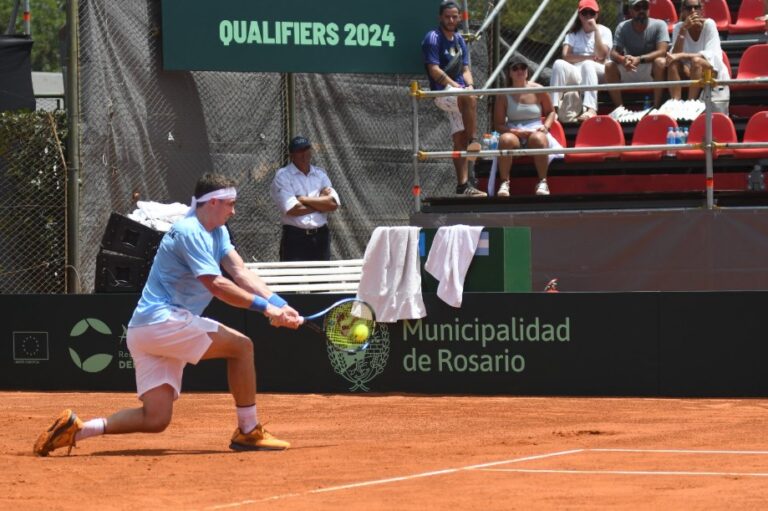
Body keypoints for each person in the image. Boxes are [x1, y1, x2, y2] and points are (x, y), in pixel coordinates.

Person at [33, 173, 302, 457]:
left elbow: (240, 272)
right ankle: (248, 431)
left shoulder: (218, 232)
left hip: (144, 330)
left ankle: (78, 429)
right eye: (230, 204)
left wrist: (279, 304)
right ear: (212, 202)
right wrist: (266, 309)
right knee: (241, 347)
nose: (233, 211)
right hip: (163, 320)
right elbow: (218, 285)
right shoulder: (189, 231)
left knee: (155, 418)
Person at [421, 0, 487, 197]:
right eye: (447, 16)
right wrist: (457, 86)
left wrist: (470, 86)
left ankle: (463, 186)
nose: (451, 20)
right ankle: (474, 140)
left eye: (454, 16)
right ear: (441, 17)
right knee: (468, 98)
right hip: (442, 92)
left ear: (459, 17)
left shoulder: (459, 40)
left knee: (459, 138)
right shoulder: (432, 38)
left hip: (459, 94)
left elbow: (466, 69)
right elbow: (433, 70)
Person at [493, 56, 562, 197]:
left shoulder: (539, 89)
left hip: (536, 129)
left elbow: (550, 112)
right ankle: (504, 182)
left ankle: (543, 182)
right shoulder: (503, 94)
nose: (520, 71)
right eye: (515, 68)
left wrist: (546, 127)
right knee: (505, 140)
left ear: (527, 71)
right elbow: (499, 124)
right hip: (513, 131)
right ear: (510, 73)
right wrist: (515, 131)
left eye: (523, 67)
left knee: (539, 138)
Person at [270, 135, 340, 262]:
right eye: (299, 151)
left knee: (322, 280)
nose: (304, 154)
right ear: (292, 155)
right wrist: (320, 204)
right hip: (295, 238)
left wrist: (302, 199)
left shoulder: (320, 174)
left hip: (321, 237)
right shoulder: (283, 176)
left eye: (306, 149)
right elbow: (293, 209)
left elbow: (333, 204)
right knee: (292, 280)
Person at [550, 0, 613, 122]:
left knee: (588, 65)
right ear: (579, 15)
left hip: (599, 71)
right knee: (558, 64)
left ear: (597, 14)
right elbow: (566, 56)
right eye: (585, 13)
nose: (588, 16)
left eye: (592, 13)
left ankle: (591, 109)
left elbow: (601, 56)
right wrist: (588, 57)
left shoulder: (604, 30)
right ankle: (554, 109)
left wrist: (595, 30)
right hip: (579, 70)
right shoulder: (573, 33)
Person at [605, 0, 670, 109]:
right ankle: (620, 110)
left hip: (651, 69)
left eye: (644, 7)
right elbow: (613, 53)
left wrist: (639, 59)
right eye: (637, 7)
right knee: (609, 66)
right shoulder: (622, 27)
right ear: (630, 10)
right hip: (631, 67)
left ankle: (657, 107)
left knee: (660, 62)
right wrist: (623, 60)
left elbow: (662, 51)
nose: (641, 10)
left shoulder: (660, 24)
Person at [665, 0, 728, 101]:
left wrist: (681, 56)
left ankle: (691, 102)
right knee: (673, 63)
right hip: (689, 72)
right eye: (689, 8)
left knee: (696, 61)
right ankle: (675, 101)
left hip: (712, 71)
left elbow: (709, 56)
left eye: (696, 7)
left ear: (701, 9)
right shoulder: (679, 27)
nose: (693, 11)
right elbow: (674, 56)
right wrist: (683, 30)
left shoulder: (709, 24)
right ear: (683, 11)